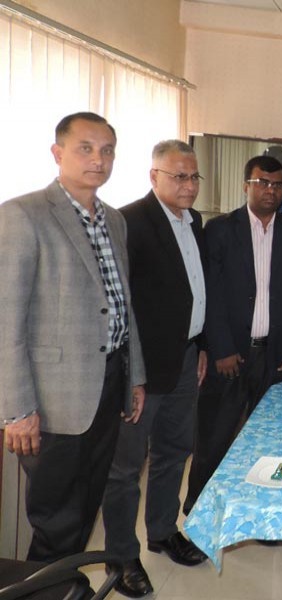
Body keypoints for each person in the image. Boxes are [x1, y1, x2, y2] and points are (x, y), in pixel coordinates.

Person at [0, 112, 145, 562]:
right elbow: (6, 319)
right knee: (56, 519)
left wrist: (134, 375)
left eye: (107, 151)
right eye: (86, 148)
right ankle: (45, 589)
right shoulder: (23, 215)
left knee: (84, 510)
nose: (98, 159)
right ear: (58, 153)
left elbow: (123, 304)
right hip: (53, 399)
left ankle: (66, 587)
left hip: (107, 385)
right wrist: (17, 410)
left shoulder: (114, 220)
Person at [101, 140, 207, 597]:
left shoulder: (193, 220)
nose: (188, 185)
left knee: (175, 451)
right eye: (178, 176)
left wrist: (201, 344)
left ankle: (163, 531)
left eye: (193, 177)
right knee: (126, 468)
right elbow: (120, 304)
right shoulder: (129, 222)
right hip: (142, 367)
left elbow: (192, 289)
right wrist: (134, 372)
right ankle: (122, 557)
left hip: (185, 358)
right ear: (153, 176)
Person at [185, 155, 282, 513]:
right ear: (246, 186)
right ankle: (200, 511)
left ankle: (263, 512)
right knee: (214, 438)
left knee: (271, 440)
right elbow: (209, 293)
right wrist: (221, 348)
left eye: (276, 184)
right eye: (262, 183)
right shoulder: (221, 230)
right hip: (231, 355)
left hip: (276, 358)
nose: (270, 190)